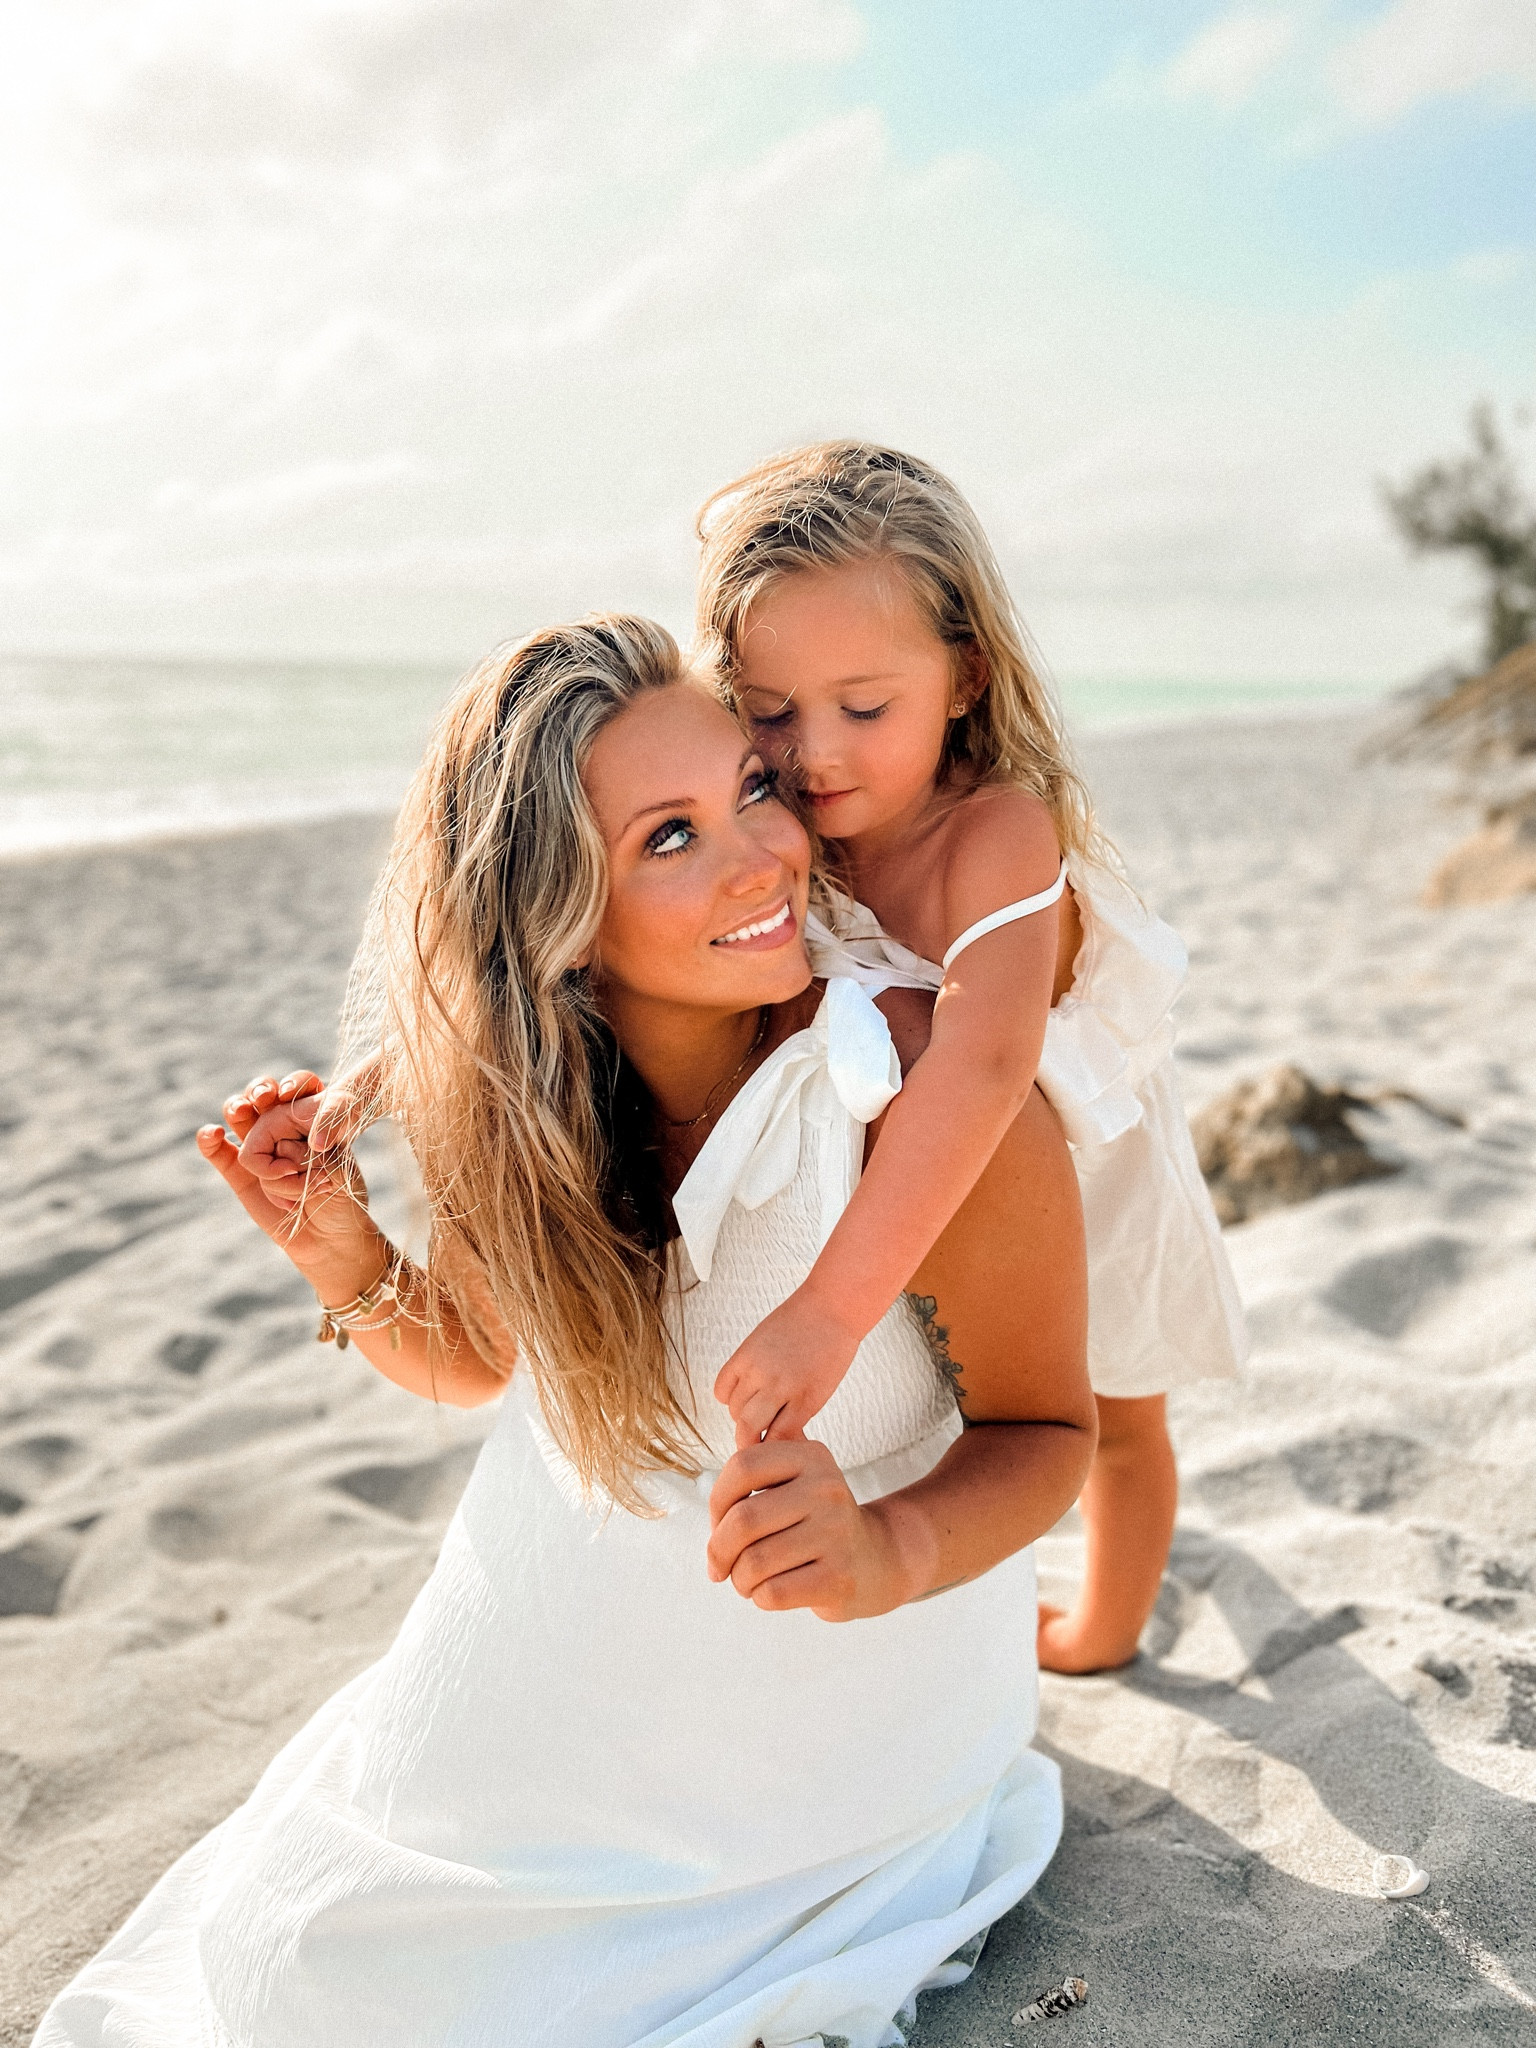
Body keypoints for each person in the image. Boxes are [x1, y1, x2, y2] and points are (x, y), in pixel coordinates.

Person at [33, 615, 1094, 2048]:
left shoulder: (912, 1105)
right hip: (572, 1612)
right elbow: (468, 1361)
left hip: (834, 1692)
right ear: (556, 918)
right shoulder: (527, 1110)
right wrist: (341, 1250)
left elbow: (1051, 1432)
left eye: (754, 792)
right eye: (669, 837)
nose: (761, 858)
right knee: (308, 1963)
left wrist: (884, 1547)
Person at [692, 442, 1248, 1675]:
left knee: (1113, 1412)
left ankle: (1106, 1625)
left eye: (864, 707)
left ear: (964, 679)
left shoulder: (996, 830)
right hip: (940, 1182)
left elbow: (986, 1067)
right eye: (772, 711)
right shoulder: (786, 826)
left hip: (1080, 1160)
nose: (816, 752)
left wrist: (831, 1312)